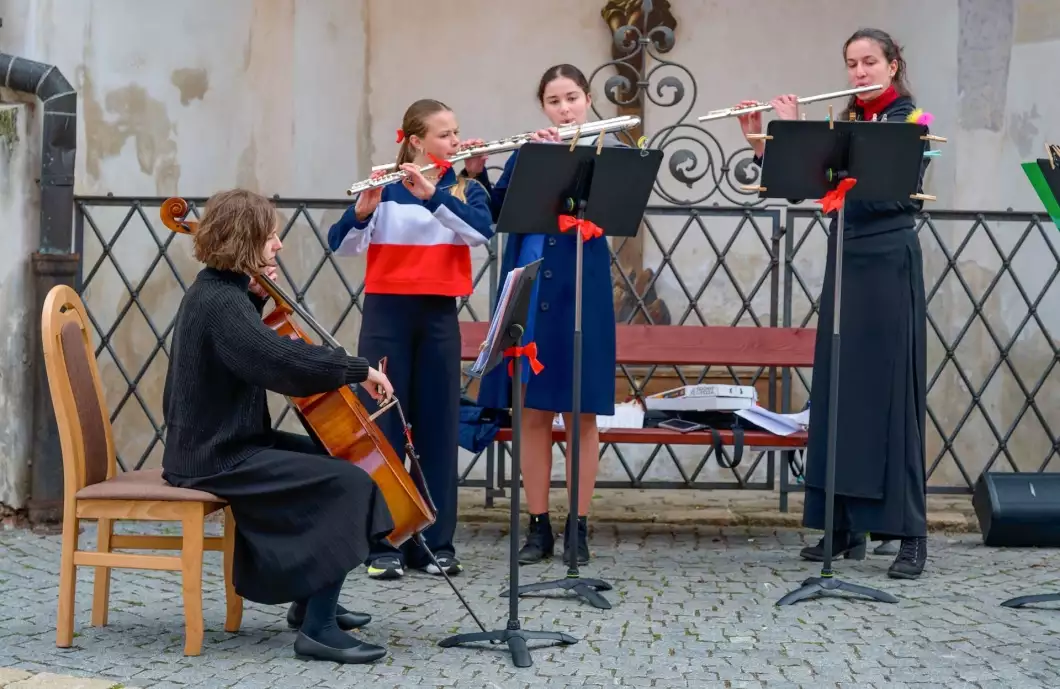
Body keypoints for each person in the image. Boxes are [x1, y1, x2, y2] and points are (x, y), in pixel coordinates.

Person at [160, 189, 397, 664]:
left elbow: (260, 351)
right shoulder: (220, 303)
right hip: (217, 456)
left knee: (342, 463)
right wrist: (356, 368)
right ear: (247, 241)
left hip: (229, 443)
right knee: (348, 482)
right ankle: (319, 631)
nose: (280, 245)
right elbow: (279, 360)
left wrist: (256, 294)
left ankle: (309, 598)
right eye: (271, 236)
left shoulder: (224, 292)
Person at [735, 27, 929, 579]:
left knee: (890, 395)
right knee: (839, 393)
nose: (860, 71)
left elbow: (890, 192)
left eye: (870, 61)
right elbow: (801, 186)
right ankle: (843, 527)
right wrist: (766, 144)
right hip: (846, 261)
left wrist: (807, 133)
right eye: (852, 63)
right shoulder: (852, 121)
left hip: (889, 259)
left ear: (893, 65)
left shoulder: (910, 121)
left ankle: (910, 533)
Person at [328, 99, 493, 581]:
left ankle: (434, 542)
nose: (455, 142)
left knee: (438, 427)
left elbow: (480, 234)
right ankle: (381, 541)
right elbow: (341, 245)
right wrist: (363, 210)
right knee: (383, 429)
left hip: (439, 315)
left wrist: (432, 195)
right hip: (386, 316)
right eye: (445, 135)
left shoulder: (465, 187)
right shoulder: (384, 187)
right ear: (415, 141)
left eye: (457, 132)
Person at [472, 64, 620, 566]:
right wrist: (479, 172)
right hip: (532, 286)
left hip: (583, 289)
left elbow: (620, 208)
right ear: (543, 107)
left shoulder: (611, 152)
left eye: (573, 98)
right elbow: (495, 213)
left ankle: (578, 526)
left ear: (589, 99)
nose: (565, 108)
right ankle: (539, 527)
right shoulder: (527, 153)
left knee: (581, 414)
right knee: (532, 412)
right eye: (555, 101)